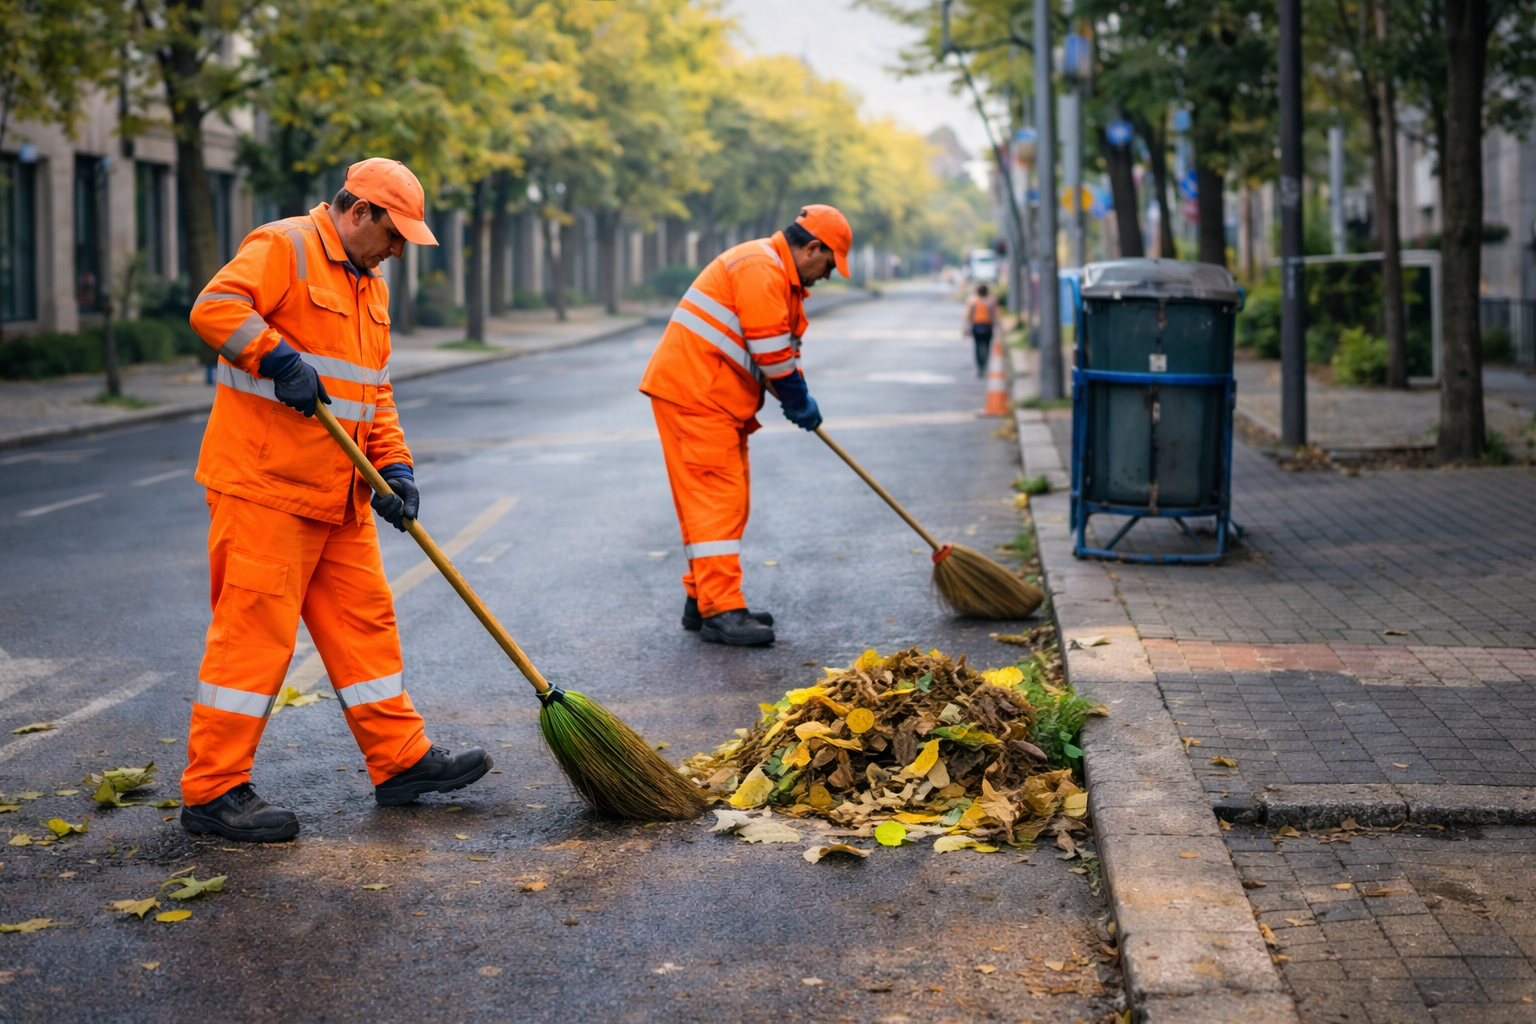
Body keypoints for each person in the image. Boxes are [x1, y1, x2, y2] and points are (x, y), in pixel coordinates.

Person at [182, 158, 492, 843]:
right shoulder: (285, 245)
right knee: (253, 641)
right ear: (358, 213)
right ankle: (213, 790)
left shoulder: (368, 285)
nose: (398, 251)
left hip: (340, 492)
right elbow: (214, 308)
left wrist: (396, 468)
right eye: (394, 234)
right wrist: (275, 357)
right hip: (266, 490)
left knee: (365, 626)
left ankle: (400, 760)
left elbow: (372, 391)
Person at [639, 205, 852, 647]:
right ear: (812, 248)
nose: (828, 275)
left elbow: (782, 353)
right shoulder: (760, 267)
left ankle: (703, 598)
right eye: (829, 264)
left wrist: (798, 396)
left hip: (713, 398)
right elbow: (771, 353)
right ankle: (721, 609)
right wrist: (797, 400)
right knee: (717, 501)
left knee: (726, 502)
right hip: (698, 396)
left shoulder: (780, 278)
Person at [964, 283, 1000, 377]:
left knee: (977, 346)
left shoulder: (972, 300)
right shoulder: (991, 300)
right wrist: (996, 326)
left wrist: (966, 327)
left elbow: (969, 315)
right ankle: (984, 365)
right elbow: (994, 315)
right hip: (988, 326)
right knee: (987, 347)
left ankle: (980, 366)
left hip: (976, 326)